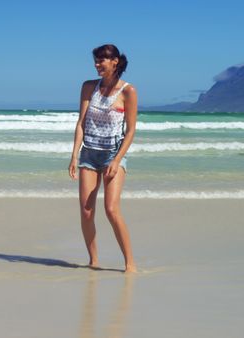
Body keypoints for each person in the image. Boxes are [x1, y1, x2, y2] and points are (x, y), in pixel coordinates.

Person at [68, 44, 138, 273]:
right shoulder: (89, 87)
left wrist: (117, 160)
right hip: (89, 154)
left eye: (101, 61)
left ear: (115, 61)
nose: (97, 64)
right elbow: (81, 123)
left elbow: (130, 131)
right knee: (86, 211)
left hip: (112, 155)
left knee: (111, 209)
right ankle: (94, 260)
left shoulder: (128, 91)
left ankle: (130, 263)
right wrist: (74, 155)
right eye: (96, 61)